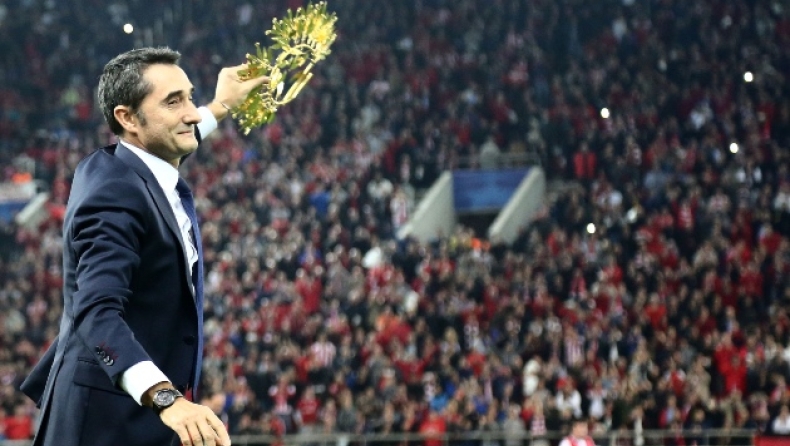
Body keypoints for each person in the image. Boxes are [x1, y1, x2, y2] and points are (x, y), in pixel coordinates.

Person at [18, 47, 266, 446]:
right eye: (173, 101)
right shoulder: (115, 193)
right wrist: (167, 399)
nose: (190, 113)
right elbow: (95, 310)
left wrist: (221, 106)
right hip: (102, 425)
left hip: (132, 417)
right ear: (128, 118)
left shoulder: (127, 167)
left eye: (190, 97)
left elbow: (178, 133)